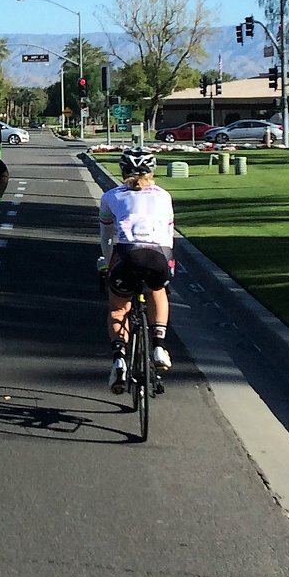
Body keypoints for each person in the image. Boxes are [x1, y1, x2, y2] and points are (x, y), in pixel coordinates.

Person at [99, 145, 176, 393]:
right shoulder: (164, 196)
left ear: (123, 171)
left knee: (118, 308)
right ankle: (159, 346)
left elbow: (106, 238)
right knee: (158, 291)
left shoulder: (111, 196)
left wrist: (107, 263)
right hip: (159, 255)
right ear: (152, 171)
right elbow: (168, 235)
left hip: (126, 255)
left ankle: (119, 359)